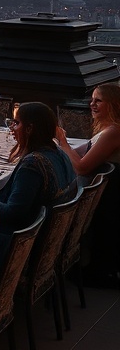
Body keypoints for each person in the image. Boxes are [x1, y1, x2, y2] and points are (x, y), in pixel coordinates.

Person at [55, 83, 120, 286]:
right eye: (92, 100)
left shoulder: (114, 131)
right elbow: (81, 152)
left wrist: (63, 142)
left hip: (110, 197)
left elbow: (81, 167)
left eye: (98, 100)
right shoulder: (107, 129)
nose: (92, 104)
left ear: (114, 104)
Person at [0, 102, 77, 238]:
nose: (12, 128)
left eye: (16, 123)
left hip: (19, 241)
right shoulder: (59, 153)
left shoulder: (32, 165)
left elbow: (13, 213)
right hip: (49, 235)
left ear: (29, 129)